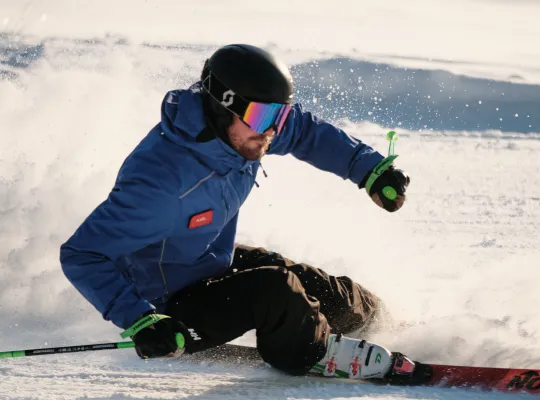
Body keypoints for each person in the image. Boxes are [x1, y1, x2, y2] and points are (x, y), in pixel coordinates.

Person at [60, 44, 411, 380]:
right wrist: (140, 320)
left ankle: (387, 327)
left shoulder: (244, 133)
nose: (272, 130)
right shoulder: (162, 182)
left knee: (332, 293)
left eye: (280, 114)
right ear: (220, 105)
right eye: (263, 115)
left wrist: (369, 170)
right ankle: (310, 352)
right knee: (276, 290)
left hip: (210, 262)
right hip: (170, 307)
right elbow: (82, 254)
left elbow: (304, 132)